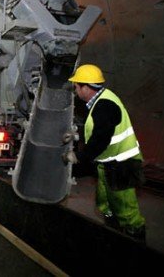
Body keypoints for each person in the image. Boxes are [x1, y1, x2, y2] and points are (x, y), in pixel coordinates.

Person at [64, 64, 146, 240]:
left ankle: (137, 245)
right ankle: (114, 235)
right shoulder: (100, 101)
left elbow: (101, 140)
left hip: (122, 165)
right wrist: (75, 134)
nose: (76, 91)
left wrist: (79, 157)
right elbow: (99, 129)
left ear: (85, 87)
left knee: (127, 211)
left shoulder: (104, 106)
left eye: (76, 87)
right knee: (105, 204)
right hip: (108, 165)